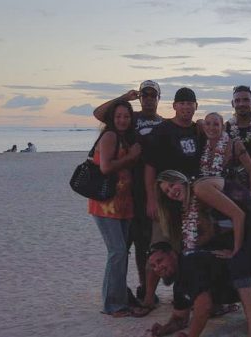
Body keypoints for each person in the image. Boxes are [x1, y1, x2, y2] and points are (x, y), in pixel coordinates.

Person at [155, 170, 251, 337]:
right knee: (222, 255)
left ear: (180, 179)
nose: (171, 192)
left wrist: (236, 250)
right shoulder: (194, 200)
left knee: (238, 263)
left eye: (171, 185)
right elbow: (218, 229)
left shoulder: (200, 188)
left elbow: (238, 215)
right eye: (167, 192)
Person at [93, 80, 163, 305]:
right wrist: (124, 97)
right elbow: (101, 113)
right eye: (145, 95)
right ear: (140, 97)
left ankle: (143, 287)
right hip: (123, 191)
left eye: (153, 95)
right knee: (123, 248)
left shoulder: (162, 123)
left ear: (158, 98)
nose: (149, 98)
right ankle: (117, 294)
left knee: (143, 244)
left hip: (144, 191)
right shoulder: (132, 119)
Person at [141, 87, 205, 314]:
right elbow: (149, 166)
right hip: (165, 200)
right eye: (182, 103)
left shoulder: (199, 131)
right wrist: (151, 199)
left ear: (195, 107)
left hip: (191, 201)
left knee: (185, 249)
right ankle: (149, 298)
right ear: (175, 106)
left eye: (190, 103)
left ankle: (186, 296)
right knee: (158, 248)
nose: (186, 107)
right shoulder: (163, 130)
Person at [88, 100, 142, 317]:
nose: (122, 120)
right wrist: (131, 157)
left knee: (120, 253)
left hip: (123, 204)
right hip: (105, 205)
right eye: (118, 116)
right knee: (117, 252)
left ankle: (118, 299)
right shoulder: (110, 136)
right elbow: (106, 167)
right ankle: (113, 305)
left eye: (126, 116)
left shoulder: (124, 138)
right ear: (112, 118)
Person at [201, 112, 251, 192]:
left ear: (223, 127)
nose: (211, 128)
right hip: (209, 195)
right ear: (203, 127)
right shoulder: (202, 144)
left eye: (216, 124)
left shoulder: (235, 145)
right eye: (208, 124)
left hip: (233, 197)